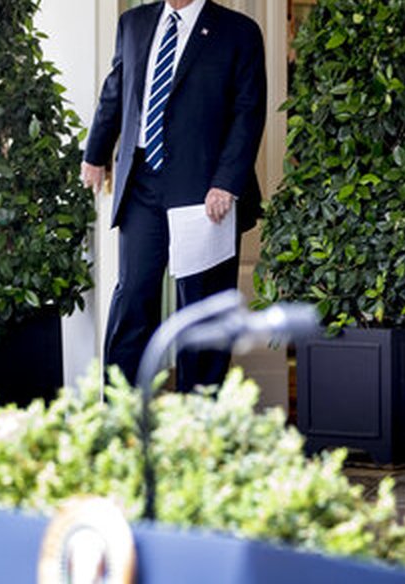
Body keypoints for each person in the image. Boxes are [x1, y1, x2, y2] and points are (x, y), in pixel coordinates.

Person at [81, 0, 266, 392]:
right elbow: (116, 90)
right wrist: (95, 153)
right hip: (142, 181)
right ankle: (120, 415)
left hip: (204, 190)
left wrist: (227, 181)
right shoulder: (133, 23)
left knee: (201, 307)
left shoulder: (239, 32)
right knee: (133, 298)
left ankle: (199, 420)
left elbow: (248, 112)